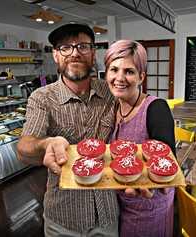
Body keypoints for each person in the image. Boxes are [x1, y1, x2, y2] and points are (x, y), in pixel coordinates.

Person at [17, 23, 119, 237]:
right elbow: (24, 148)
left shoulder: (111, 92)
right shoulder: (42, 98)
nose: (74, 53)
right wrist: (46, 143)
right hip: (63, 217)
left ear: (93, 53)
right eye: (65, 47)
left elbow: (138, 106)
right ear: (55, 55)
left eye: (83, 46)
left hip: (108, 212)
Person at [104, 39, 176, 237]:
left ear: (141, 77)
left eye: (129, 71)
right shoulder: (111, 108)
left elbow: (167, 162)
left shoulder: (156, 108)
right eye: (114, 69)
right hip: (118, 205)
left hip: (149, 208)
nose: (119, 77)